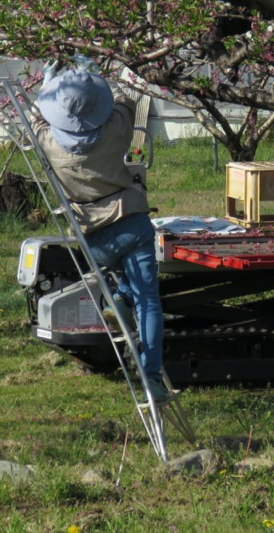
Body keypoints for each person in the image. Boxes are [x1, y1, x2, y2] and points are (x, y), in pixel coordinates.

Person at [32, 65, 172, 403]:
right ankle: (151, 376)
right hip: (130, 221)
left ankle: (121, 297)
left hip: (92, 235)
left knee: (124, 283)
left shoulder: (48, 143)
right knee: (148, 301)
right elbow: (125, 102)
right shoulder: (115, 132)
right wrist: (99, 80)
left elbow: (35, 117)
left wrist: (48, 85)